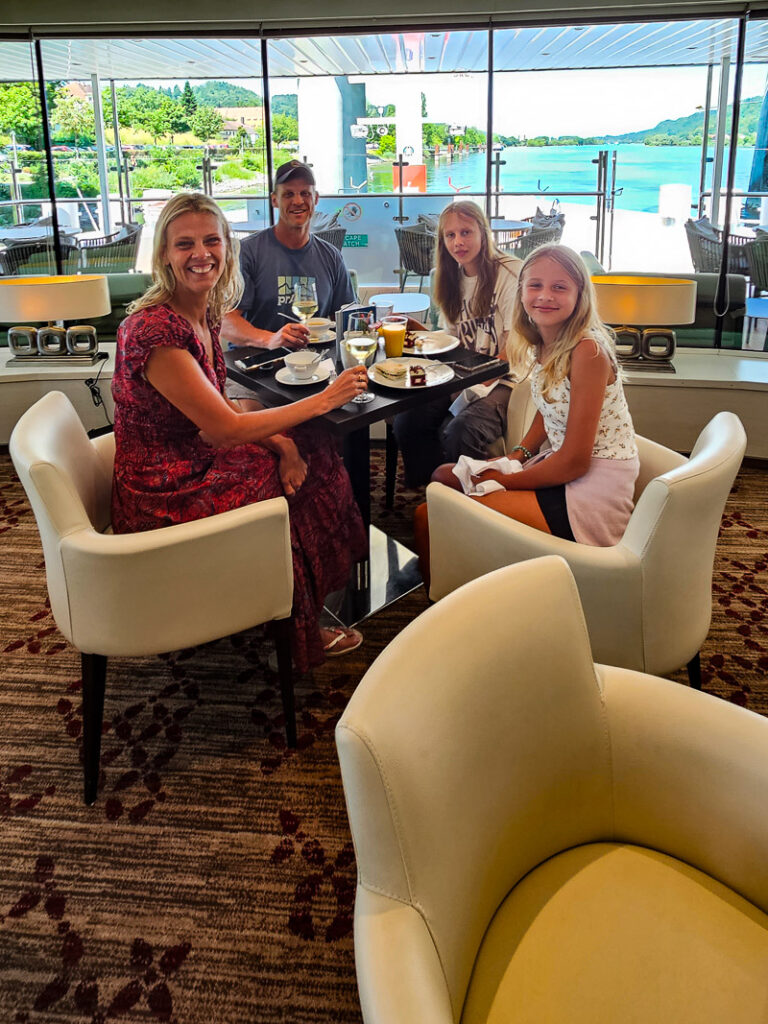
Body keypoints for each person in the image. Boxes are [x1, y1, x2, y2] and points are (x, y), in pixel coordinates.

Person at [111, 191, 370, 671]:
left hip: (197, 455)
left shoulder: (203, 314)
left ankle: (284, 600)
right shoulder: (154, 332)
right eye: (184, 244)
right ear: (165, 254)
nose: (201, 254)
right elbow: (226, 429)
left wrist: (285, 444)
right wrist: (326, 398)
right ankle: (294, 632)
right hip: (163, 488)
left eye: (212, 240)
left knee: (317, 446)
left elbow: (219, 407)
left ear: (228, 247)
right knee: (280, 492)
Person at [416, 244, 639, 578]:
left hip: (591, 484)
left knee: (428, 516)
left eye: (559, 287)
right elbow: (551, 406)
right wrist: (519, 454)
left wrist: (508, 479)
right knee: (442, 476)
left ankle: (451, 602)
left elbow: (576, 462)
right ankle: (480, 568)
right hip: (562, 464)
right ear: (520, 292)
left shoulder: (588, 351)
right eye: (535, 285)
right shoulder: (546, 339)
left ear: (580, 294)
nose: (545, 296)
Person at [392, 200, 523, 487]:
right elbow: (450, 343)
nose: (458, 242)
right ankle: (432, 492)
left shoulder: (510, 273)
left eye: (466, 232)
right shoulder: (448, 277)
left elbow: (511, 351)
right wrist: (416, 330)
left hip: (506, 381)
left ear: (483, 233)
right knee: (407, 420)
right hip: (462, 376)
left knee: (462, 430)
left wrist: (469, 390)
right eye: (450, 235)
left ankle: (471, 502)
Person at [220, 160, 354, 351]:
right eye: (289, 194)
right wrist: (269, 339)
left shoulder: (331, 256)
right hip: (258, 368)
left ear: (315, 198)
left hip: (315, 366)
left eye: (305, 193)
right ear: (274, 200)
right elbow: (225, 321)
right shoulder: (248, 252)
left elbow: (345, 318)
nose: (298, 201)